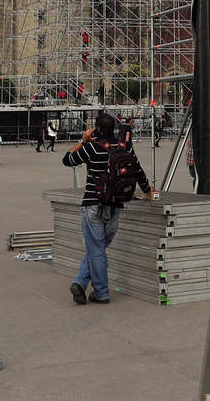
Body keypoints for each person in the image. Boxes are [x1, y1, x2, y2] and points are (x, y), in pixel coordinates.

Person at [62, 112, 155, 305]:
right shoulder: (124, 147)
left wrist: (83, 140)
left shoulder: (91, 148)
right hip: (115, 205)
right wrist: (147, 191)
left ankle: (101, 293)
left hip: (93, 205)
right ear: (114, 129)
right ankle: (79, 282)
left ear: (96, 129)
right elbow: (137, 170)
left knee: (96, 250)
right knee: (98, 249)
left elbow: (67, 159)